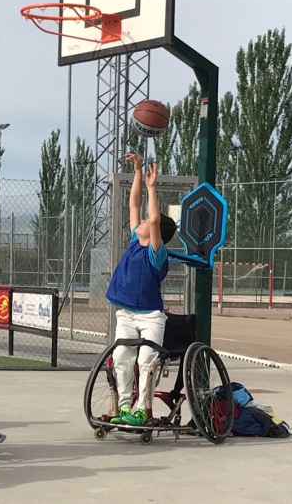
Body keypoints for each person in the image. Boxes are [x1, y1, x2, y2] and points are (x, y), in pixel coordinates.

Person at [105, 155, 177, 426]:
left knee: (146, 360)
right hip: (127, 314)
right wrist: (136, 173)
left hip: (151, 317)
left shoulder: (156, 253)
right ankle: (124, 407)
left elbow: (156, 220)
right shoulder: (137, 239)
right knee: (121, 356)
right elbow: (134, 204)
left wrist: (152, 187)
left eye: (148, 221)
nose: (144, 221)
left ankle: (139, 409)